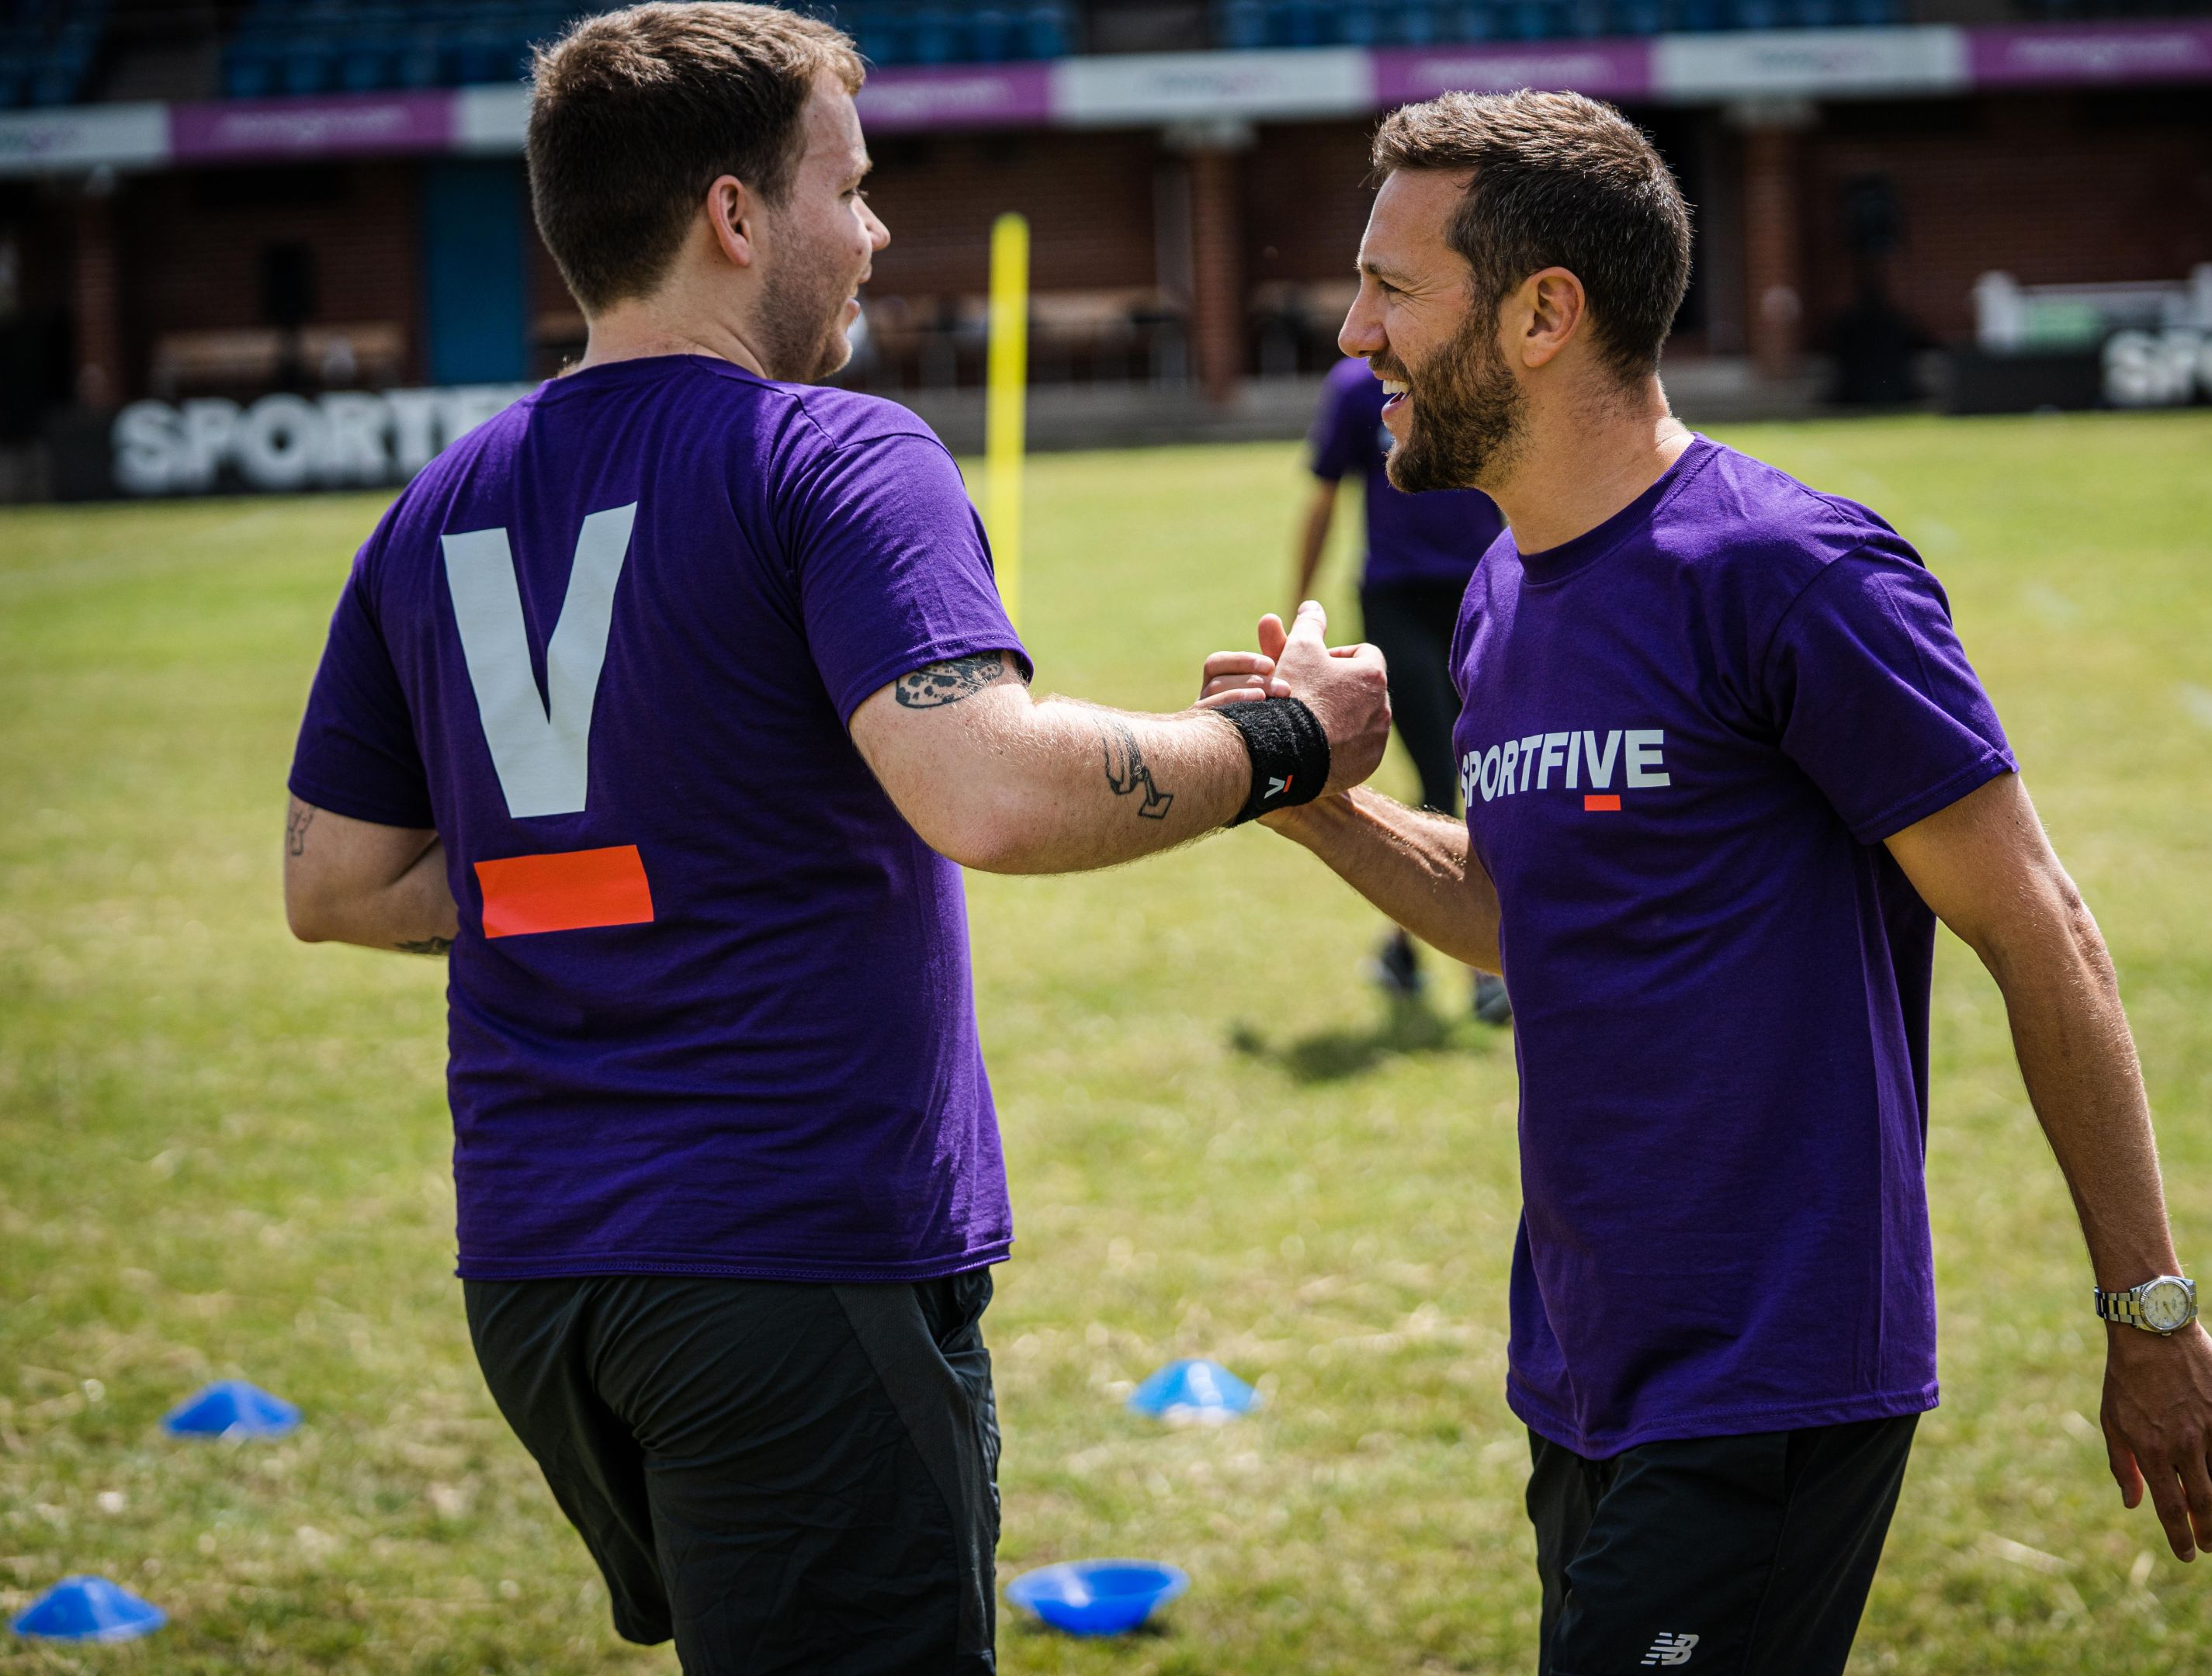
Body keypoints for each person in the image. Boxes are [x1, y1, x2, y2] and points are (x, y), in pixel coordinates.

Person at [277, 8, 1387, 1672]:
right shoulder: (832, 449)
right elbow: (989, 792)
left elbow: (338, 884)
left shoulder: (435, 504)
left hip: (537, 1273)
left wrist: (641, 864)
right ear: (735, 216)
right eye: (849, 188)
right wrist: (1287, 745)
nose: (873, 233)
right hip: (786, 1254)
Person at [1202, 91, 2212, 1675]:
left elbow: (2040, 928)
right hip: (1582, 1361)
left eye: (1392, 288)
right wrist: (1319, 810)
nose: (1354, 336)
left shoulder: (1791, 574)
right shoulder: (1499, 593)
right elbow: (1531, 908)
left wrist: (2149, 1313)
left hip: (1769, 1373)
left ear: (1543, 314)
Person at [1298, 354, 1510, 1020]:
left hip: (1482, 593)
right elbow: (1324, 498)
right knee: (1442, 771)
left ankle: (1402, 949)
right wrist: (1300, 603)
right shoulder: (1355, 391)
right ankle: (1484, 969)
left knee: (1488, 771)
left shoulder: (1482, 368)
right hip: (1397, 602)